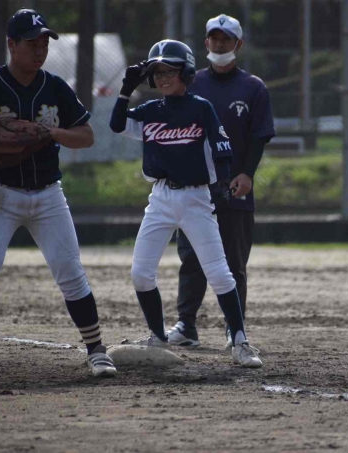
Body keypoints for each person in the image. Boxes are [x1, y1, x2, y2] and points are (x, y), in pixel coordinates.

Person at [0, 8, 116, 380]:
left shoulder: (55, 86)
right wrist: (2, 146)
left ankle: (97, 352)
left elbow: (86, 136)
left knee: (71, 274)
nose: (40, 49)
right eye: (32, 43)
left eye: (44, 42)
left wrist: (51, 133)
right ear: (12, 44)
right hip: (0, 195)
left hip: (48, 196)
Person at [109, 39, 262, 368]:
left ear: (187, 73)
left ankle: (240, 341)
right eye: (157, 73)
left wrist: (222, 184)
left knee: (219, 273)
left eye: (170, 71)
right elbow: (117, 124)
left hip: (195, 198)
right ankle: (157, 336)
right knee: (140, 274)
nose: (163, 78)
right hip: (160, 198)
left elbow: (222, 149)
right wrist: (125, 90)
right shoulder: (151, 111)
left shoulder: (200, 107)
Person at [166, 14, 275, 349]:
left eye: (226, 39)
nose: (219, 44)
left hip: (234, 186)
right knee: (192, 258)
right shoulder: (191, 83)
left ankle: (234, 328)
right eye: (214, 38)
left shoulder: (253, 87)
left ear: (238, 44)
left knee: (233, 262)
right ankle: (186, 324)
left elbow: (259, 136)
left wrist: (247, 173)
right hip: (195, 187)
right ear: (206, 42)